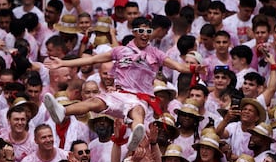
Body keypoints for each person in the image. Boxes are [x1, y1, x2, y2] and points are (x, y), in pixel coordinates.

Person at [44, 16, 206, 152]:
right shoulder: (120, 51)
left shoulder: (156, 53)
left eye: (148, 31)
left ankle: (134, 138)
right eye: (141, 31)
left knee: (137, 113)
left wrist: (193, 68)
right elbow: (92, 59)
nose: (145, 34)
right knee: (94, 102)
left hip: (139, 98)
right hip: (119, 94)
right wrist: (62, 63)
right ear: (134, 32)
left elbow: (179, 66)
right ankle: (62, 111)